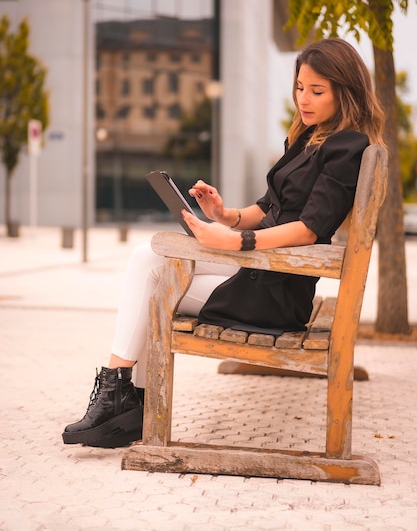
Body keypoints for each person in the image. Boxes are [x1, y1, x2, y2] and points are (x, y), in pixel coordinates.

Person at [62, 38, 385, 448]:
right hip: (261, 270)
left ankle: (123, 401)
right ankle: (121, 395)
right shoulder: (310, 138)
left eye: (317, 91)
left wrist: (236, 242)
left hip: (277, 290)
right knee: (148, 257)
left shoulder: (348, 146)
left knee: (156, 286)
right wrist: (223, 214)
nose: (304, 98)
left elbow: (307, 228)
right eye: (300, 87)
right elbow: (269, 206)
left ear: (346, 91)